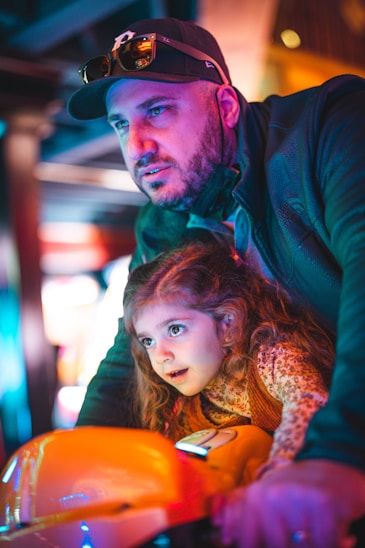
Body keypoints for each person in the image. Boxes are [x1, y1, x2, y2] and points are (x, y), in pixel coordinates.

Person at [67, 16, 365, 548]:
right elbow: (126, 356)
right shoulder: (163, 221)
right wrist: (72, 471)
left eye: (156, 111)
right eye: (119, 125)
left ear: (226, 107)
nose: (137, 145)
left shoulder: (331, 124)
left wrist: (339, 454)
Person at [123, 241, 333, 474]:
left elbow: (309, 400)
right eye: (148, 341)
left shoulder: (272, 358)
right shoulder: (180, 408)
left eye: (175, 330)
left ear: (226, 323)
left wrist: (280, 464)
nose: (161, 356)